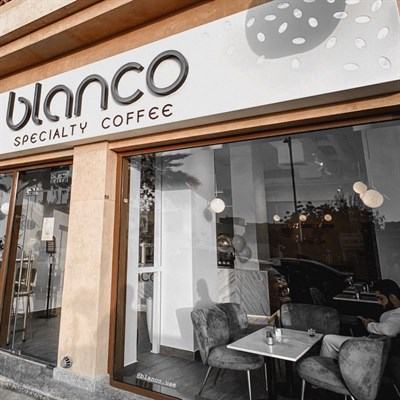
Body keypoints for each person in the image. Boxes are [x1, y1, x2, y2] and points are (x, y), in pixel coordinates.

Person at [320, 279, 400, 359]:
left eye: (381, 298)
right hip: (372, 343)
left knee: (328, 340)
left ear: (392, 297)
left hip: (373, 348)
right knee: (329, 340)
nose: (379, 302)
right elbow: (391, 325)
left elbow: (389, 330)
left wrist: (369, 325)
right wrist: (376, 324)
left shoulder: (398, 314)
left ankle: (324, 366)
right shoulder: (394, 312)